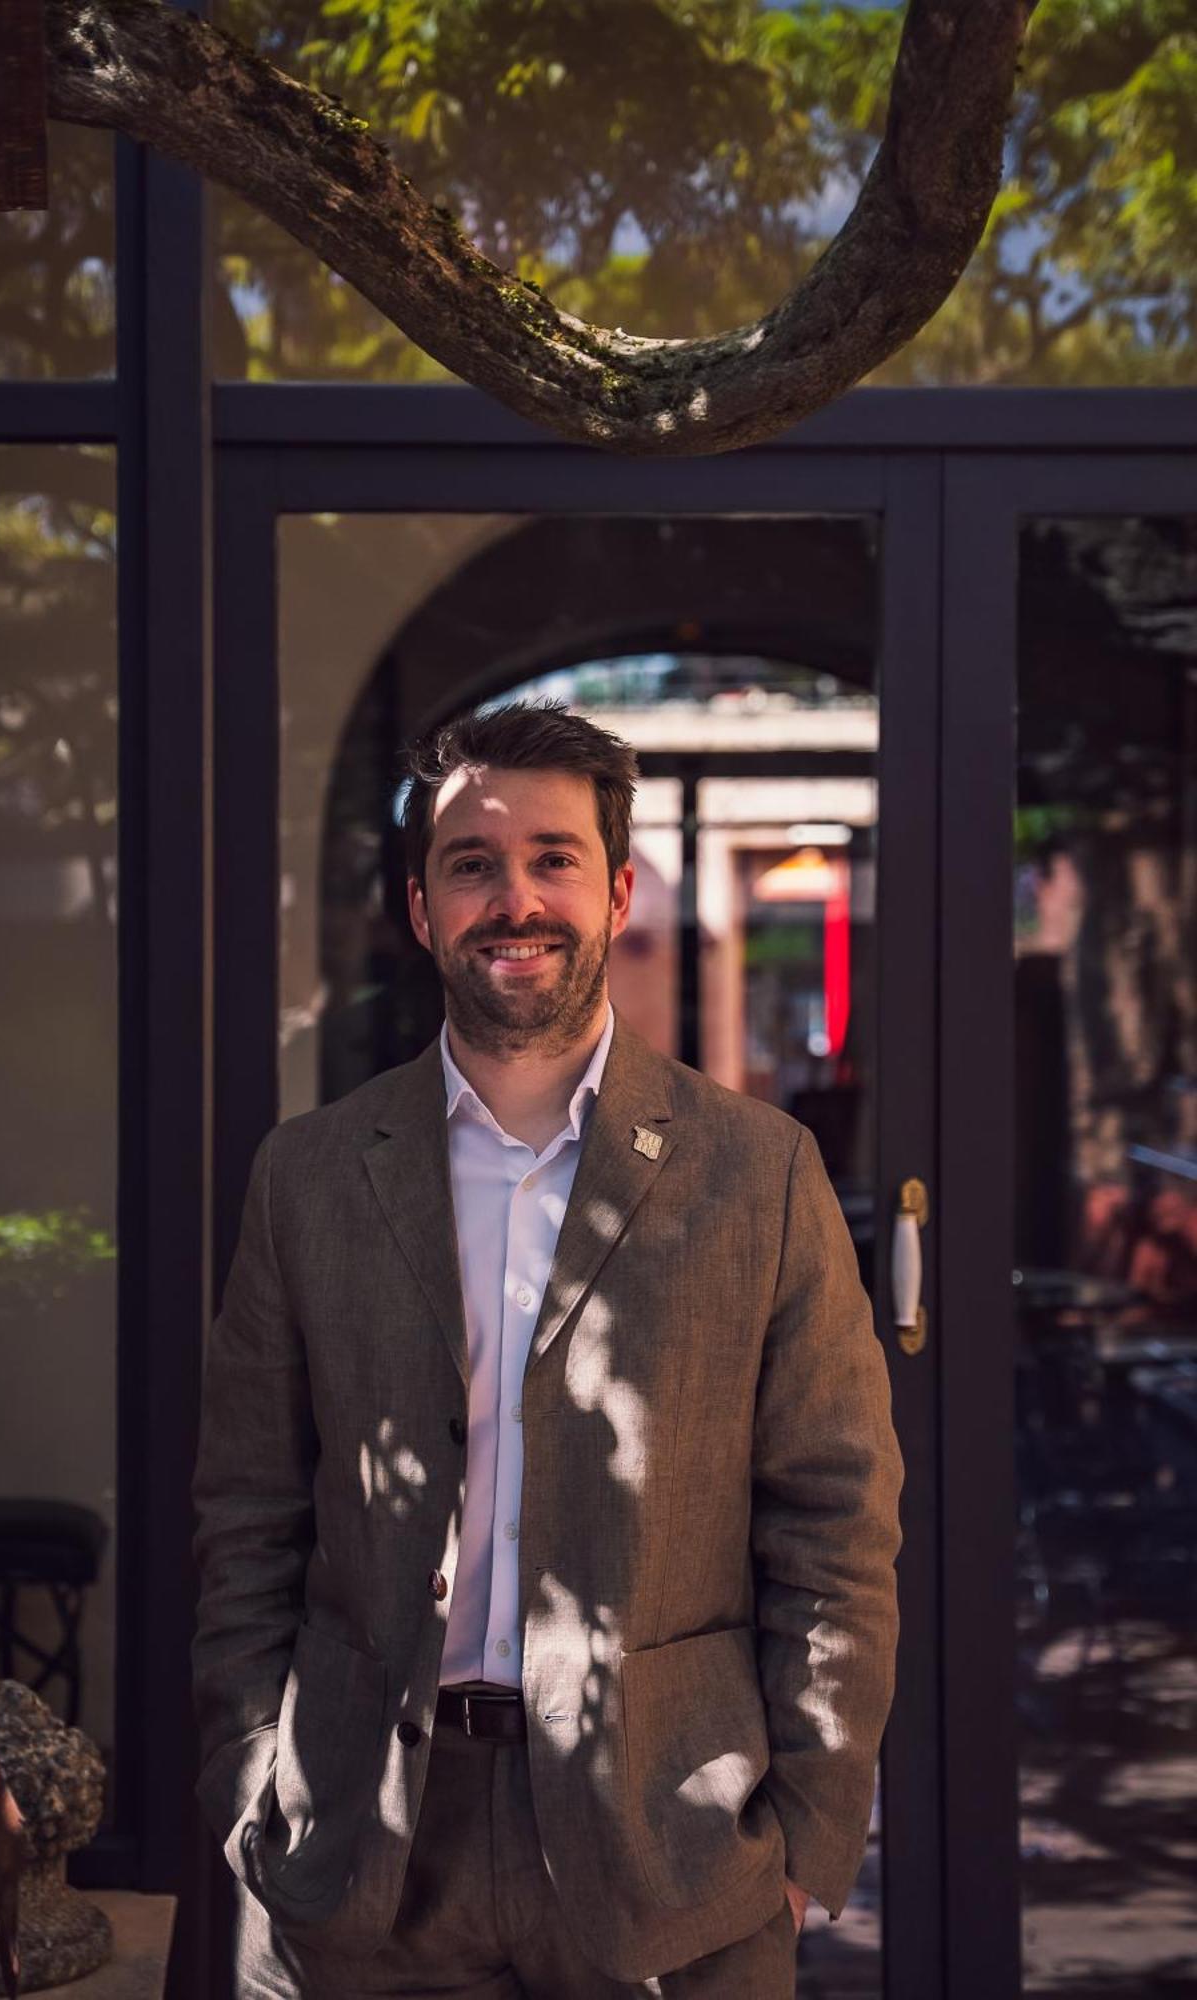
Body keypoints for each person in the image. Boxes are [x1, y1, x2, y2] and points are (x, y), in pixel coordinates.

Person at [191, 700, 905, 1998]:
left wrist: (809, 1831)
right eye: (473, 863)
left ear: (619, 887)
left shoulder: (758, 1173)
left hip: (674, 1854)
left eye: (553, 859)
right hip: (362, 1846)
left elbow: (836, 1524)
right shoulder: (309, 1177)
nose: (514, 899)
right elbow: (247, 1509)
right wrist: (253, 1779)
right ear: (421, 906)